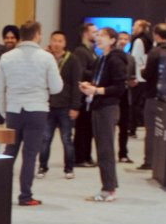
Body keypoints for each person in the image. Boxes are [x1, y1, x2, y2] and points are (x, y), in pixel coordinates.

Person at [0, 19, 62, 206]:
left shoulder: (7, 57)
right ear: (37, 35)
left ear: (21, 36)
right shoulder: (46, 58)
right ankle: (25, 196)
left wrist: (5, 111)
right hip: (37, 110)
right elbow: (57, 87)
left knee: (9, 153)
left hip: (14, 110)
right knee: (30, 155)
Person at [79, 27, 131, 202]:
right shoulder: (102, 58)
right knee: (102, 148)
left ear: (112, 40)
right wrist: (90, 86)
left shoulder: (115, 60)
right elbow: (101, 81)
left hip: (108, 108)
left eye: (103, 36)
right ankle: (108, 186)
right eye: (98, 35)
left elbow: (119, 88)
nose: (98, 38)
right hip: (98, 105)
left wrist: (97, 90)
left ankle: (108, 189)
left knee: (105, 149)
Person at [38, 29, 81, 179]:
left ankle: (69, 168)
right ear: (50, 42)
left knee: (66, 138)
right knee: (45, 138)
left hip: (66, 106)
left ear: (65, 43)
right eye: (54, 40)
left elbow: (76, 85)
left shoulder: (72, 60)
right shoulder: (44, 58)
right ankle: (42, 167)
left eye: (60, 41)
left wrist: (75, 106)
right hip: (48, 105)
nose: (56, 44)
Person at [139, 23, 166, 171]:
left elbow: (147, 74)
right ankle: (165, 160)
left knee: (151, 130)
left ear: (156, 35)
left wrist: (142, 70)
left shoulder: (154, 52)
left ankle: (149, 161)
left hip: (153, 95)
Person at [72, 23, 98, 168]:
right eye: (94, 32)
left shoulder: (91, 51)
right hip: (83, 95)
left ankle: (86, 155)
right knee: (83, 127)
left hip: (90, 94)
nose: (96, 35)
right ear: (85, 33)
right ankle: (80, 157)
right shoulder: (80, 52)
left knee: (88, 127)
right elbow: (80, 72)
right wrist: (96, 75)